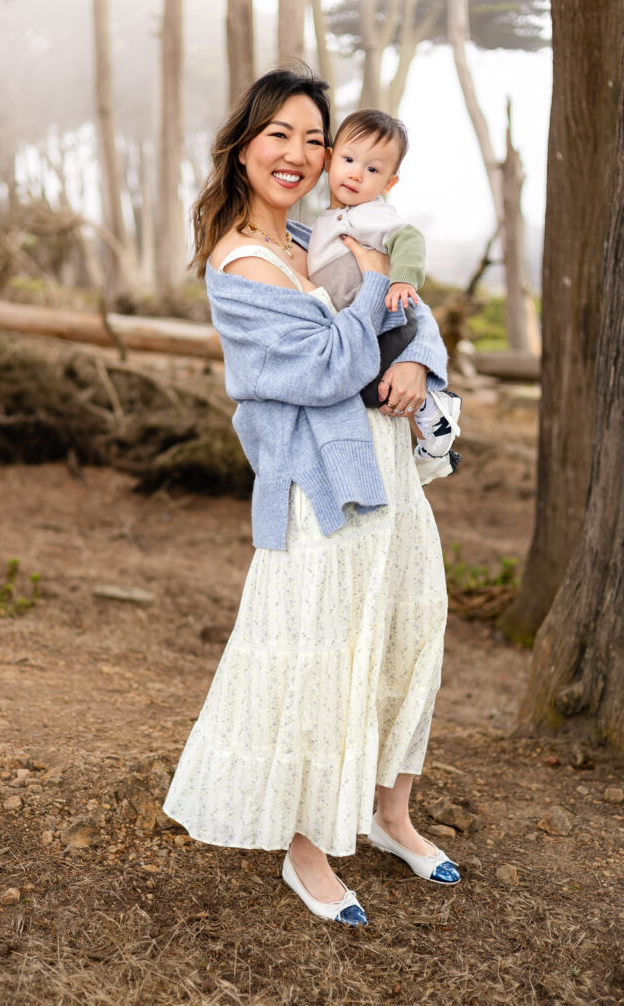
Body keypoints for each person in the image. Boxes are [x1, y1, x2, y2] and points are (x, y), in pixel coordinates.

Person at [162, 66, 460, 928]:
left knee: (413, 624)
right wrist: (374, 295)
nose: (298, 154)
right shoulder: (242, 264)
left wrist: (415, 359)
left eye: (313, 138)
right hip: (319, 488)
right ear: (245, 149)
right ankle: (306, 850)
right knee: (323, 659)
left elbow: (409, 316)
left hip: (387, 468)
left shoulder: (323, 239)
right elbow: (328, 366)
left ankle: (389, 811)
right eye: (278, 135)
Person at [307, 108, 461, 485]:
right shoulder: (327, 220)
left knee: (368, 390)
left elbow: (408, 238)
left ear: (389, 183)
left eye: (373, 170)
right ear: (329, 160)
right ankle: (434, 414)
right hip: (368, 323)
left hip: (388, 320)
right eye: (348, 160)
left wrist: (402, 280)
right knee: (368, 389)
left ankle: (432, 409)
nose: (357, 174)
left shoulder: (366, 214)